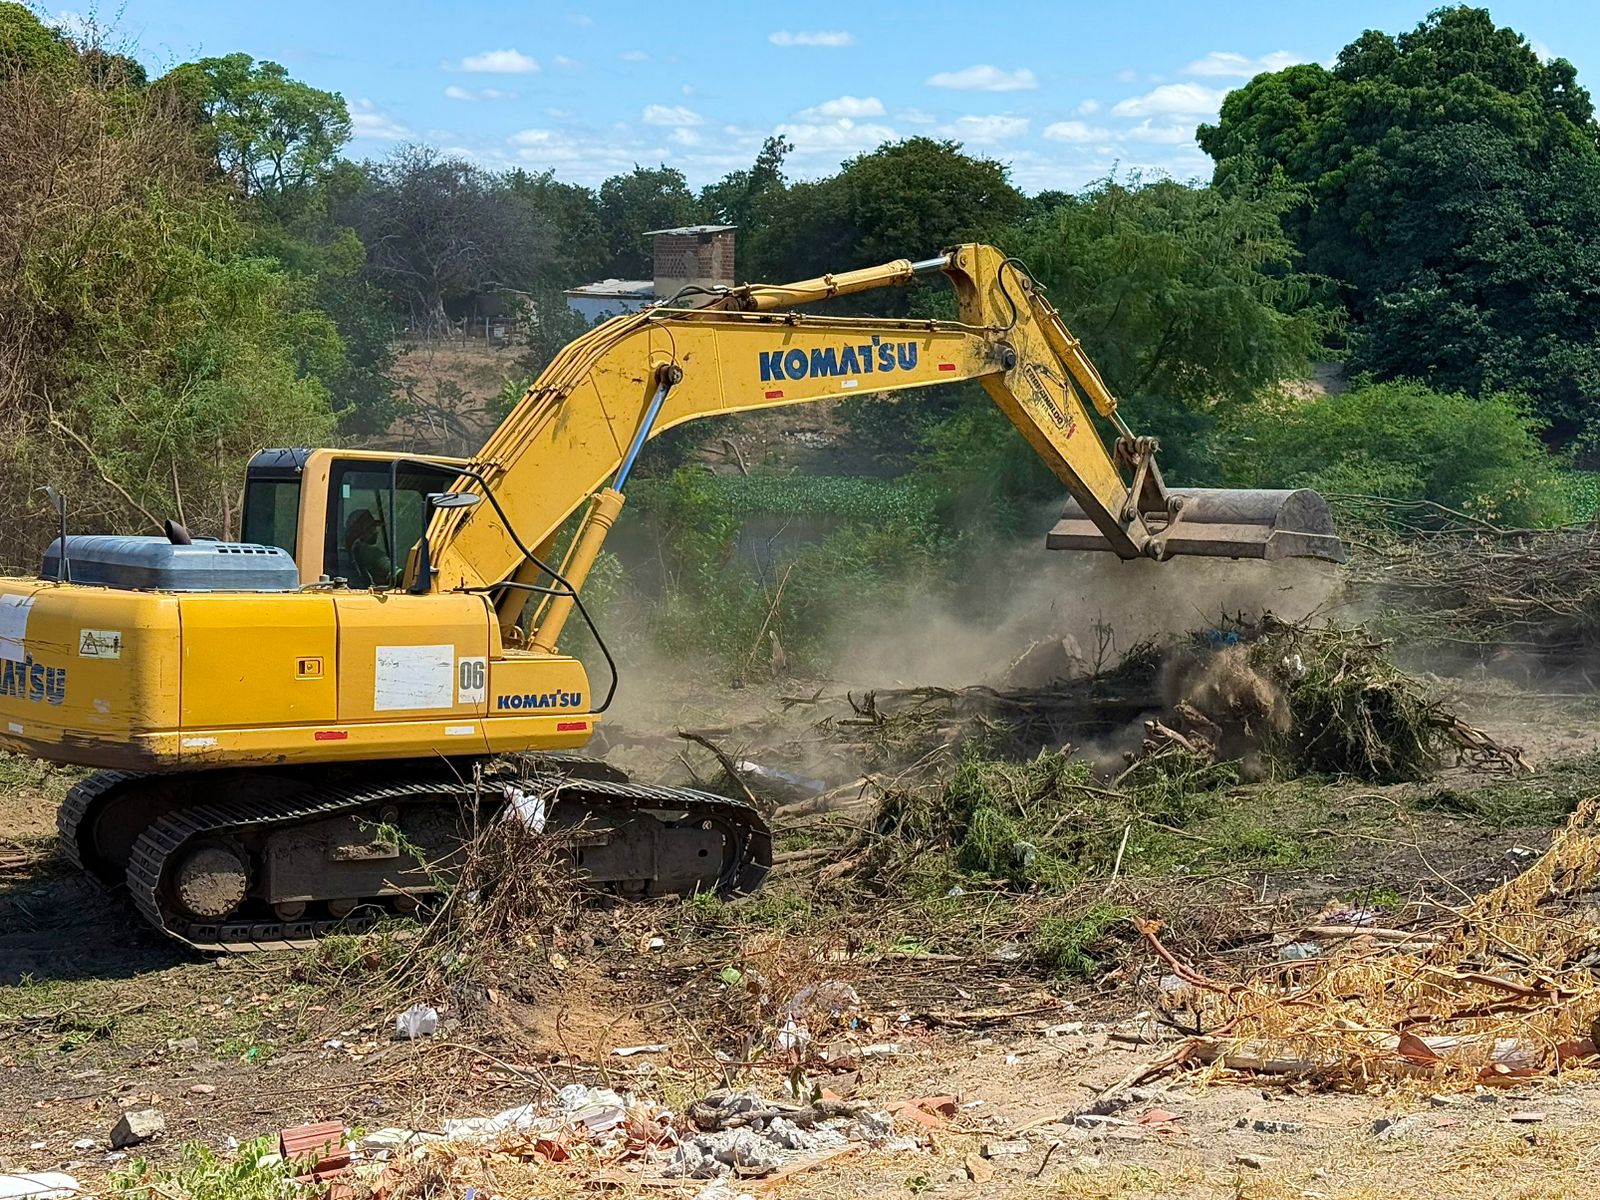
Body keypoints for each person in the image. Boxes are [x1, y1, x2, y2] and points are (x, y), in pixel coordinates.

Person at [345, 509, 393, 586]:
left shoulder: (349, 550)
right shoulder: (371, 552)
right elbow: (397, 575)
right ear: (363, 530)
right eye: (372, 528)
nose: (376, 532)